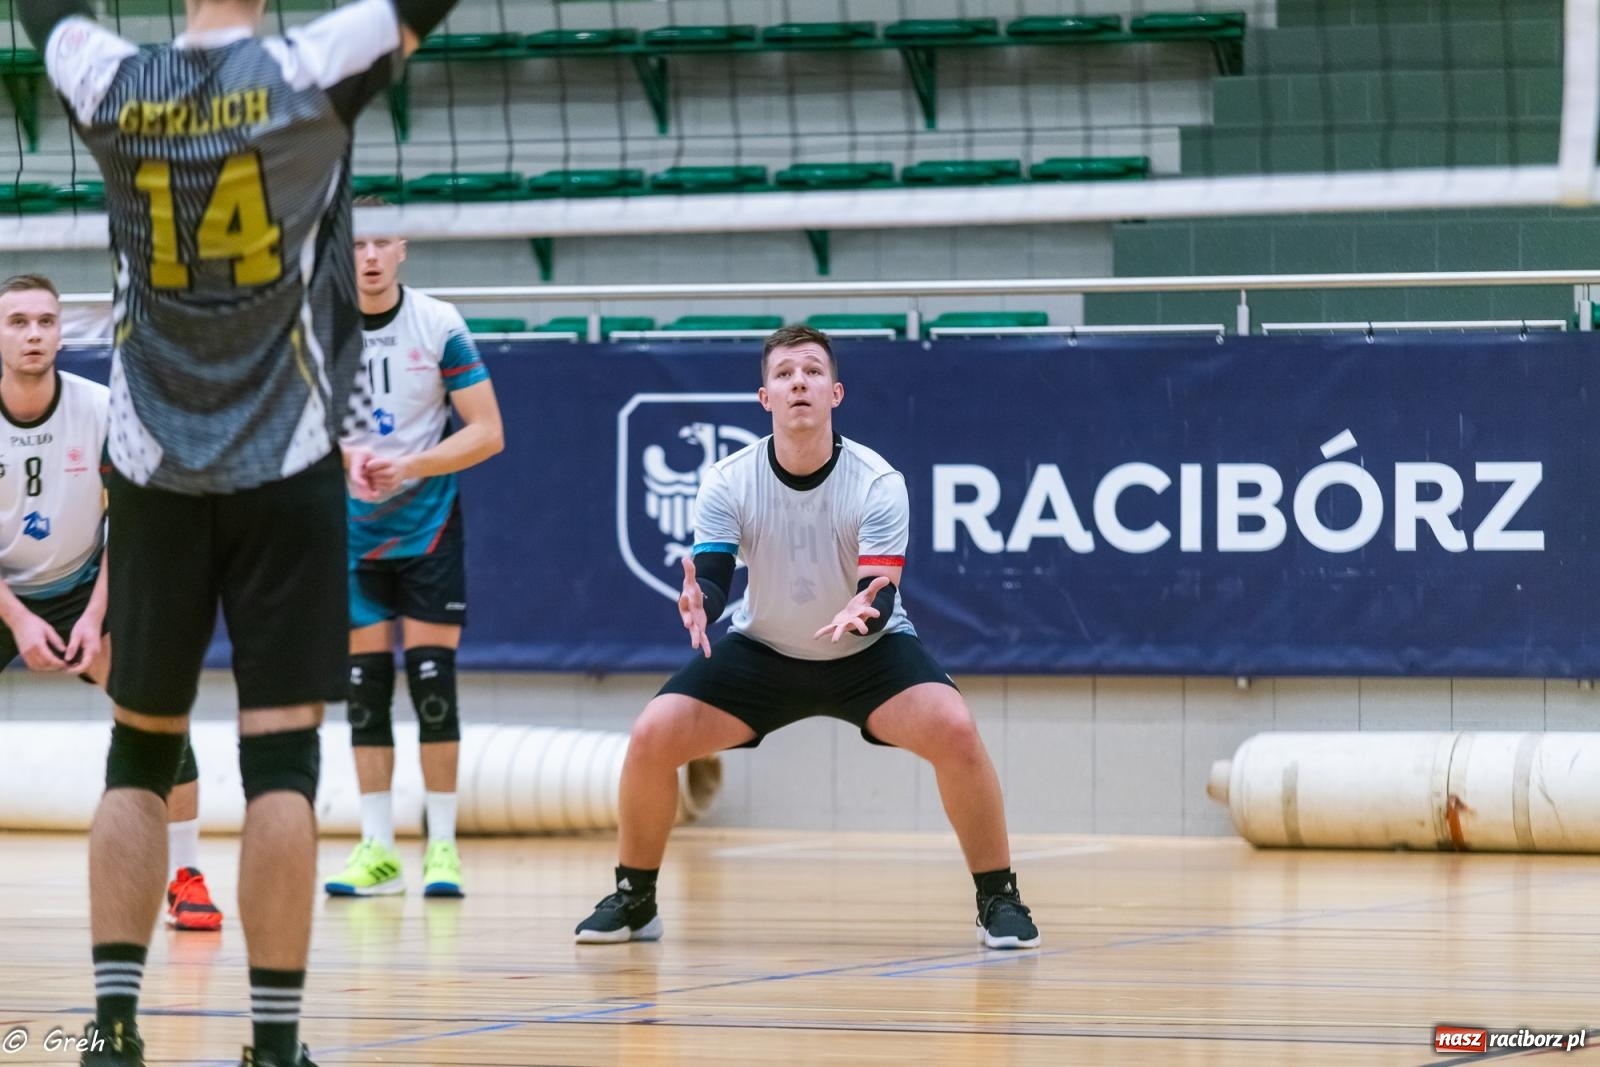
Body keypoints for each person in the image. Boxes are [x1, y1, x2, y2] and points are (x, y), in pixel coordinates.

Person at [18, 0, 459, 1060]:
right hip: (285, 466)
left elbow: (47, 15)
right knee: (282, 767)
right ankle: (271, 1040)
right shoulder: (311, 63)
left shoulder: (112, 79)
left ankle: (115, 1027)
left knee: (136, 751)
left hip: (154, 465)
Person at [573, 325, 1041, 951]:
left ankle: (998, 899)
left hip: (866, 655)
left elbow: (881, 592)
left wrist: (860, 615)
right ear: (764, 398)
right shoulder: (727, 480)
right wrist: (698, 602)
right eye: (785, 374)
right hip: (764, 652)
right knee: (652, 735)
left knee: (955, 729)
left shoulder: (877, 481)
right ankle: (636, 897)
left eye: (813, 372)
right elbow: (711, 578)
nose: (799, 382)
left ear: (836, 393)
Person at [0, 274, 222, 934]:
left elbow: (131, 525)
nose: (34, 333)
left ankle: (184, 874)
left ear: (61, 332)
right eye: (18, 322)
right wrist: (17, 615)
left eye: (45, 320)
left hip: (84, 582)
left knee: (157, 709)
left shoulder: (100, 407)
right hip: (5, 590)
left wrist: (95, 616)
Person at [323, 226, 502, 899]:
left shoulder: (438, 323)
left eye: (381, 243)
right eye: (357, 245)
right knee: (365, 689)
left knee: (433, 684)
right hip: (350, 531)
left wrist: (411, 467)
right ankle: (377, 851)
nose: (369, 256)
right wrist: (350, 460)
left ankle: (443, 848)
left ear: (402, 249)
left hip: (428, 526)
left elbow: (488, 431)